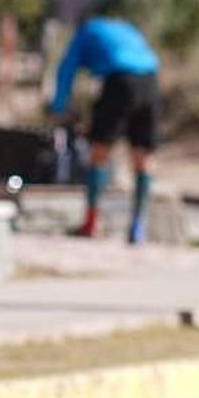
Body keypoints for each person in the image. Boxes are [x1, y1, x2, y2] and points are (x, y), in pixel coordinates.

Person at [48, 15, 162, 243]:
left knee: (100, 150)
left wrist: (58, 106)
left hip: (120, 80)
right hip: (150, 81)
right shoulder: (127, 27)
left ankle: (91, 223)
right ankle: (138, 225)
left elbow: (67, 68)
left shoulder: (86, 31)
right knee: (143, 155)